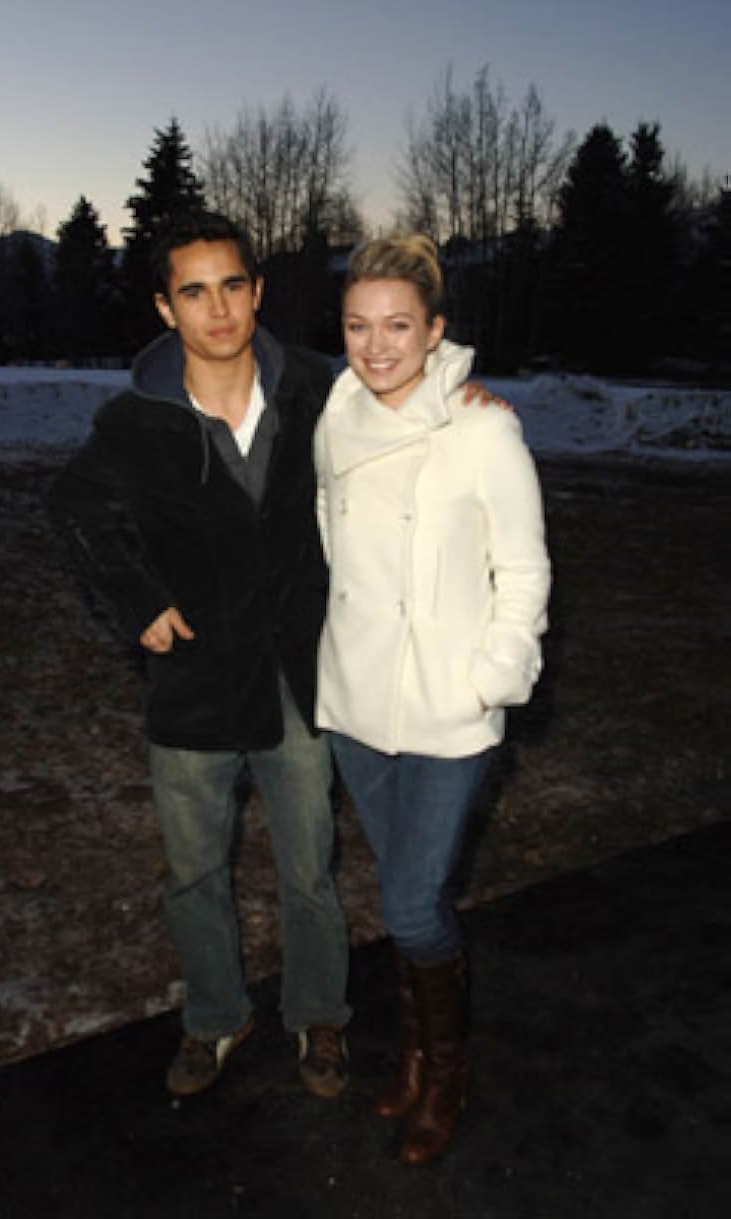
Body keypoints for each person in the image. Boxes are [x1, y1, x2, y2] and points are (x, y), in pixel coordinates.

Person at [47, 211, 351, 1101]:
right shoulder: (136, 419)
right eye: (193, 290)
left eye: (232, 285)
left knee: (310, 867)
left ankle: (318, 1012)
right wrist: (135, 599)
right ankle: (217, 1016)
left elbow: (408, 422)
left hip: (297, 679)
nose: (217, 308)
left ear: (256, 293)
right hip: (193, 687)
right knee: (193, 873)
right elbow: (73, 507)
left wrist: (465, 393)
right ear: (164, 306)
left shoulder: (317, 392)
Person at [314, 235, 551, 1163]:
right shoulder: (336, 413)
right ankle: (414, 1056)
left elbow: (524, 567)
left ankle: (447, 1068)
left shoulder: (483, 427)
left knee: (413, 906)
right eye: (357, 326)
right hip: (359, 703)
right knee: (402, 893)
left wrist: (493, 674)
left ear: (436, 330)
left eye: (399, 326)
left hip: (450, 708)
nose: (376, 347)